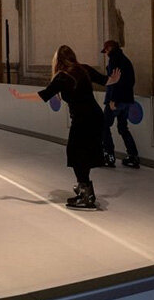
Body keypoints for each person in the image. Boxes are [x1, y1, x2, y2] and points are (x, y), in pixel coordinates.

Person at [10, 45, 120, 210]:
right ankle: (85, 189)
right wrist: (115, 79)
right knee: (82, 153)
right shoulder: (83, 69)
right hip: (96, 117)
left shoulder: (63, 76)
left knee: (76, 154)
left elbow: (43, 96)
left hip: (83, 119)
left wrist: (20, 96)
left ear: (58, 60)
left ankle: (86, 194)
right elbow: (107, 80)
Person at [100, 40, 140, 168]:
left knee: (104, 126)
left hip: (116, 100)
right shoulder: (126, 60)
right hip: (127, 100)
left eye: (106, 50)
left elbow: (114, 82)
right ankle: (133, 156)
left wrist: (113, 100)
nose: (105, 53)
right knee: (123, 128)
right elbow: (130, 81)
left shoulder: (115, 60)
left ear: (110, 48)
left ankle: (109, 156)